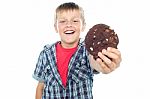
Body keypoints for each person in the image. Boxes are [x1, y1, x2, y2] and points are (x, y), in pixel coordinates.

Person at [32, 2, 122, 99]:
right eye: (63, 21)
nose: (69, 25)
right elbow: (40, 87)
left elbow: (95, 62)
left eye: (75, 21)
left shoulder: (87, 51)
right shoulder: (45, 54)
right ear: (56, 27)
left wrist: (104, 65)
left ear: (83, 26)